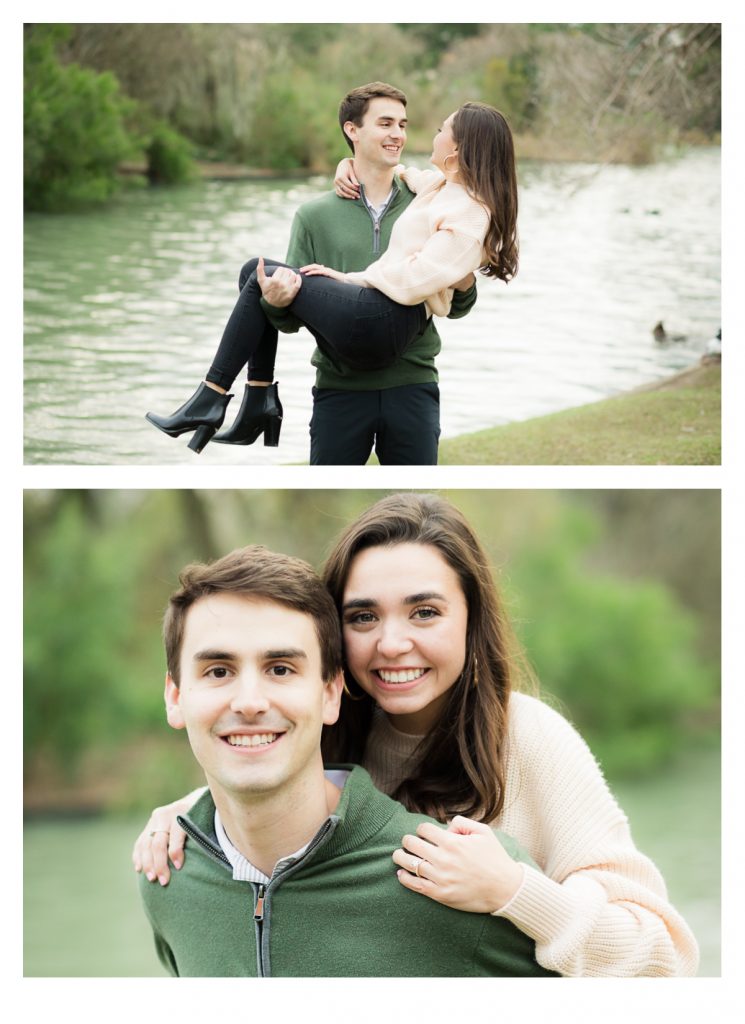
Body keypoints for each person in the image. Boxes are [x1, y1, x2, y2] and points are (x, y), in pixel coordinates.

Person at [135, 493, 700, 977]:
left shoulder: (528, 738)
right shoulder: (330, 728)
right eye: (363, 617)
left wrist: (516, 893)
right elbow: (264, 779)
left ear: (470, 619)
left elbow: (662, 961)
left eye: (424, 612)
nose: (391, 643)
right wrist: (193, 812)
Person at [138, 543, 556, 977]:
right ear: (175, 696)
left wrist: (522, 893)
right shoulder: (168, 878)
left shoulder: (459, 878)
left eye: (280, 669)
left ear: (331, 693)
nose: (249, 703)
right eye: (218, 671)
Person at [145, 91, 517, 461]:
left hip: (411, 380)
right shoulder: (401, 195)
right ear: (352, 130)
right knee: (255, 275)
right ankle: (252, 399)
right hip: (340, 389)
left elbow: (443, 297)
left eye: (404, 125)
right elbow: (289, 319)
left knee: (414, 499)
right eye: (386, 124)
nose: (401, 135)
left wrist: (347, 278)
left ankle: (236, 399)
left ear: (458, 149)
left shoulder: (452, 206)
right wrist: (275, 303)